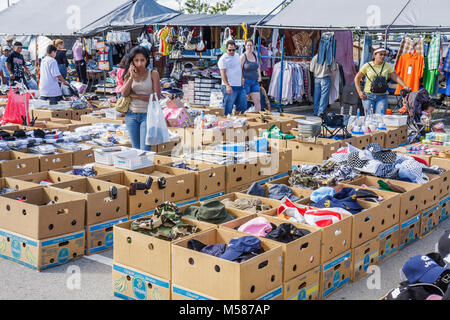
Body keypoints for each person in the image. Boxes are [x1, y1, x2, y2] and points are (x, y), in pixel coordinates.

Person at [121, 46, 161, 151]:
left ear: (147, 60)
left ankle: (146, 167)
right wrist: (131, 77)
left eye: (142, 60)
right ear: (132, 61)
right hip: (131, 115)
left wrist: (134, 95)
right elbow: (124, 94)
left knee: (145, 149)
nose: (139, 64)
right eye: (136, 60)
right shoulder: (129, 74)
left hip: (147, 115)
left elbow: (156, 97)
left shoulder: (153, 74)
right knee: (135, 149)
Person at [355, 47, 411, 114]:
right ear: (374, 55)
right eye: (380, 54)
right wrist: (359, 92)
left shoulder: (387, 66)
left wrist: (404, 86)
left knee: (381, 117)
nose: (383, 56)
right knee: (369, 117)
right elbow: (357, 78)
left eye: (384, 55)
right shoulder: (367, 65)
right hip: (368, 96)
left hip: (382, 96)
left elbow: (395, 77)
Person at [218, 40, 247, 115]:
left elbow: (239, 69)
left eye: (233, 50)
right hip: (229, 86)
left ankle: (237, 121)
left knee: (242, 105)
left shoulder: (237, 56)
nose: (231, 52)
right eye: (229, 50)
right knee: (228, 107)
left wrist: (242, 78)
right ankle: (226, 122)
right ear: (226, 49)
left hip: (239, 85)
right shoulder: (223, 59)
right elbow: (223, 73)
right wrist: (227, 85)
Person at [240, 39, 262, 111]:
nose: (249, 47)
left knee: (257, 100)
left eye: (251, 45)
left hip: (255, 81)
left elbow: (258, 67)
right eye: (248, 45)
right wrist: (241, 79)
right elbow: (239, 69)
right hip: (246, 81)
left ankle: (258, 117)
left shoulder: (255, 55)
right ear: (245, 46)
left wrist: (259, 76)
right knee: (244, 101)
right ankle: (241, 115)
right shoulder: (243, 56)